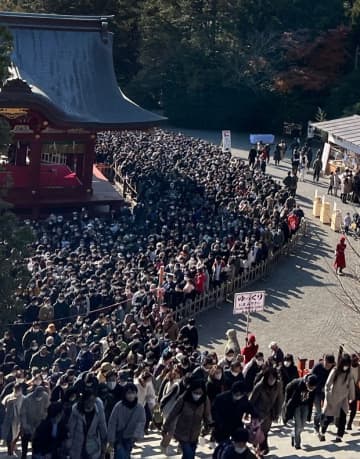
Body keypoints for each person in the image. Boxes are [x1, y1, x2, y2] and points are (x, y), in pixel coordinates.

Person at [162, 379, 212, 459]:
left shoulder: (205, 400)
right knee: (189, 455)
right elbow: (172, 414)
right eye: (195, 392)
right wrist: (165, 427)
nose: (198, 395)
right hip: (182, 433)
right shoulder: (183, 399)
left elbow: (207, 415)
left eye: (200, 393)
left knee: (189, 455)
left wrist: (208, 427)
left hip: (195, 433)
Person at [319, 353, 355, 443]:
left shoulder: (349, 372)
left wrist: (351, 397)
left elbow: (351, 385)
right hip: (333, 397)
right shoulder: (335, 371)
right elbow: (327, 385)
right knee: (329, 418)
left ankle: (339, 436)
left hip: (343, 398)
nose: (346, 366)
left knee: (343, 418)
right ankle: (322, 433)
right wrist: (328, 398)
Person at [249, 367, 283, 455]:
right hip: (258, 412)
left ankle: (261, 448)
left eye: (274, 378)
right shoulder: (260, 386)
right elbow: (252, 400)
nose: (272, 381)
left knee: (265, 431)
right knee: (258, 432)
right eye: (270, 378)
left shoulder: (278, 385)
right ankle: (260, 448)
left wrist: (277, 413)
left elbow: (280, 400)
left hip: (269, 413)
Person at [108, 383, 146, 459]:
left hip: (130, 438)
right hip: (119, 437)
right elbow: (112, 422)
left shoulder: (139, 408)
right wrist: (111, 439)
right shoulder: (119, 406)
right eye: (128, 393)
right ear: (124, 394)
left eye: (133, 393)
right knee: (121, 455)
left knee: (126, 454)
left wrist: (136, 436)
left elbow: (141, 422)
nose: (131, 395)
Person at [68, 390, 107, 459]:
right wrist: (69, 447)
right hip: (77, 446)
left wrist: (103, 450)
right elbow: (71, 430)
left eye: (93, 400)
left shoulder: (98, 410)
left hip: (92, 447)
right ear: (84, 400)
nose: (91, 403)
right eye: (89, 400)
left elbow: (103, 429)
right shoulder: (76, 410)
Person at [283, 374, 318, 449]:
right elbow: (288, 388)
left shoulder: (314, 386)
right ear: (306, 382)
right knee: (298, 424)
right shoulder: (298, 383)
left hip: (305, 405)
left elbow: (311, 400)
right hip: (297, 405)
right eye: (310, 387)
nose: (311, 389)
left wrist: (309, 415)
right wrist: (287, 399)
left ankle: (293, 434)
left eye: (313, 388)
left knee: (302, 426)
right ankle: (297, 444)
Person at [20, 386, 50, 459]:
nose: (39, 398)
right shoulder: (27, 399)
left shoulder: (45, 396)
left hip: (39, 425)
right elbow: (22, 414)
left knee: (36, 447)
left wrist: (44, 420)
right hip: (28, 425)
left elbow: (47, 409)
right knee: (25, 446)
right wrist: (26, 426)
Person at [311, 354, 336, 434]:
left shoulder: (333, 368)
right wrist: (319, 387)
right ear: (324, 360)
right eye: (326, 364)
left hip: (327, 392)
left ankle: (323, 424)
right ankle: (316, 425)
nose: (327, 366)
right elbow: (311, 379)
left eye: (329, 365)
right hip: (317, 391)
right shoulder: (317, 367)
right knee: (318, 410)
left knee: (326, 409)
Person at [1, 383, 24, 456]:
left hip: (20, 421)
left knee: (17, 436)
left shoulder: (24, 398)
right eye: (16, 389)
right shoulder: (8, 397)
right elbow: (2, 407)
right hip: (9, 421)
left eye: (19, 389)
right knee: (9, 437)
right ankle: (10, 451)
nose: (17, 391)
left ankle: (13, 446)